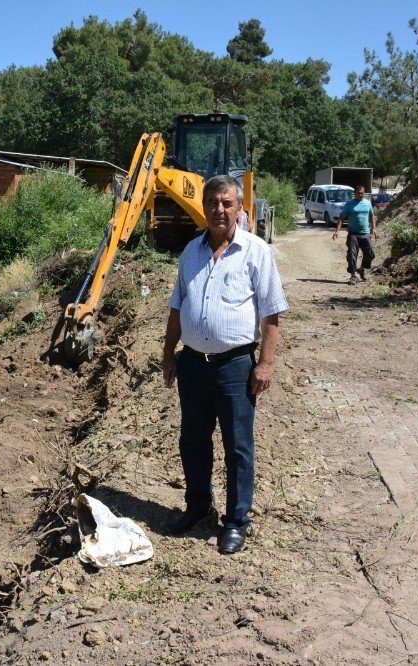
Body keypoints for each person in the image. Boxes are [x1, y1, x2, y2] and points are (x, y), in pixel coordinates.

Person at [161, 175, 289, 554]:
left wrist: (265, 364)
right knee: (193, 441)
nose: (220, 209)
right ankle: (199, 508)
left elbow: (271, 313)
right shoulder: (190, 252)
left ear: (239, 207)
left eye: (227, 203)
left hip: (234, 366)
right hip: (193, 366)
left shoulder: (255, 251)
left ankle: (236, 521)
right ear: (204, 205)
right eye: (214, 202)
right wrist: (169, 355)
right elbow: (176, 306)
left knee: (238, 448)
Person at [332, 185, 376, 285]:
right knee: (352, 255)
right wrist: (337, 231)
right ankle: (353, 275)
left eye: (362, 193)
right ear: (355, 193)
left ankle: (361, 269)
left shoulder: (367, 203)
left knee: (370, 253)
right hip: (353, 234)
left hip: (365, 233)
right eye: (359, 193)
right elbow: (341, 218)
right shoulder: (349, 204)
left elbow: (372, 216)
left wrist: (374, 229)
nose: (361, 195)